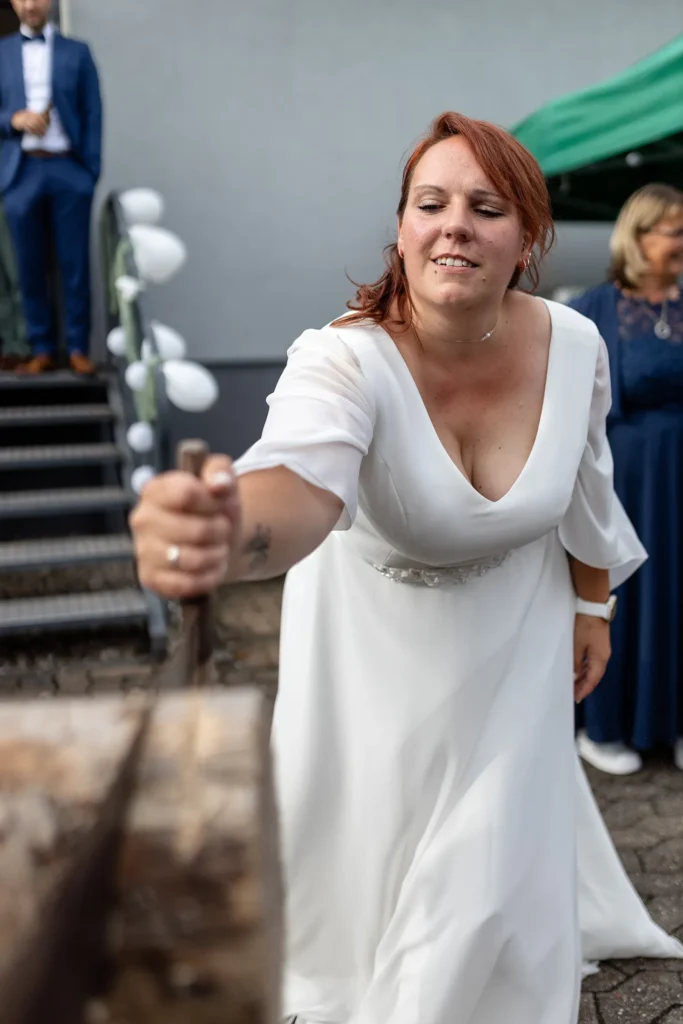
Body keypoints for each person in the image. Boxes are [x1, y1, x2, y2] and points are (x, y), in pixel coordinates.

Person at [131, 113, 682, 1024]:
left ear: (526, 240)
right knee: (361, 893)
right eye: (430, 203)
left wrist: (595, 609)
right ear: (401, 228)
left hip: (516, 647)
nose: (453, 223)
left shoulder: (574, 343)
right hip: (371, 661)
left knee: (477, 901)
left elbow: (588, 483)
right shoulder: (342, 359)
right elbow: (295, 488)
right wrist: (221, 531)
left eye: (485, 207)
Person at [570, 184, 683, 776]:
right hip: (628, 479)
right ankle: (607, 725)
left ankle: (673, 722)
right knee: (625, 593)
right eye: (675, 230)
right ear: (637, 236)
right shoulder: (595, 309)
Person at [0, 0, 102, 375]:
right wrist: (14, 119)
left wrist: (89, 172)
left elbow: (93, 111)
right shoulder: (2, 52)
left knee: (75, 264)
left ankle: (77, 347)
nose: (30, 4)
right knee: (28, 266)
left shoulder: (78, 52)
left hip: (67, 170)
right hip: (20, 173)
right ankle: (41, 347)